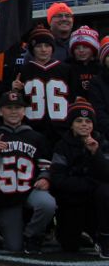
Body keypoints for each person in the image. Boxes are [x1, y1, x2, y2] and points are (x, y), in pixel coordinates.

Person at [0, 89, 57, 254]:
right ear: (1, 111)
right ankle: (5, 230)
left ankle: (32, 235)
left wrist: (45, 178)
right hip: (4, 195)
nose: (13, 111)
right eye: (9, 108)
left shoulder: (36, 137)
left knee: (47, 204)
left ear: (24, 111)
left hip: (29, 189)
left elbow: (46, 165)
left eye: (18, 107)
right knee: (14, 247)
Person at [48, 98, 109, 256]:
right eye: (79, 120)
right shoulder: (61, 146)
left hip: (96, 201)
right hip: (71, 200)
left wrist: (96, 154)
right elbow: (58, 180)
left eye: (88, 121)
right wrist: (90, 183)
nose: (84, 124)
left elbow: (107, 175)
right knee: (69, 246)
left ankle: (104, 236)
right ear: (71, 124)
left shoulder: (102, 143)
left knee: (106, 192)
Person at [11, 24, 77, 141]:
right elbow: (15, 103)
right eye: (39, 46)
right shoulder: (23, 71)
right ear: (32, 49)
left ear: (52, 47)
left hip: (61, 129)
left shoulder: (66, 70)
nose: (43, 49)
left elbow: (73, 98)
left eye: (47, 45)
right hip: (33, 129)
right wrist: (16, 91)